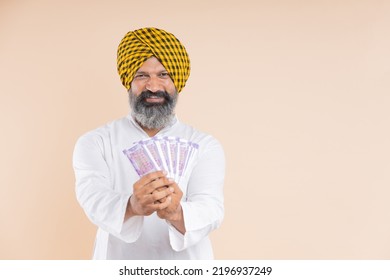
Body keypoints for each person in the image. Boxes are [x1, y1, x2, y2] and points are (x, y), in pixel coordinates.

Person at [72, 27, 225, 259]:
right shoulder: (95, 142)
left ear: (177, 80)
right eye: (142, 75)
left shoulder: (204, 145)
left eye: (163, 75)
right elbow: (93, 199)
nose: (153, 86)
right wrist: (132, 206)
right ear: (128, 81)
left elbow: (211, 208)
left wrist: (177, 212)